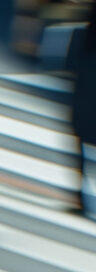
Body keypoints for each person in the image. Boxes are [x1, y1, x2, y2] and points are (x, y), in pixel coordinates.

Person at [70, 3, 96, 216]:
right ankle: (79, 190)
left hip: (88, 72)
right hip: (88, 71)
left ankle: (80, 191)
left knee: (80, 133)